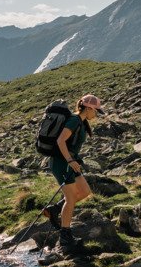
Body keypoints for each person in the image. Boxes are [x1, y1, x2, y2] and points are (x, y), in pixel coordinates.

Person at [42, 93, 102, 247]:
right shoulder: (75, 120)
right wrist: (69, 159)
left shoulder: (80, 122)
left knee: (84, 191)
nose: (96, 114)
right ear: (88, 108)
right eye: (95, 110)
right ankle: (65, 236)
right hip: (61, 163)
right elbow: (60, 140)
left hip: (70, 162)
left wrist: (74, 159)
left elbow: (69, 144)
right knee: (70, 200)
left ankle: (55, 209)